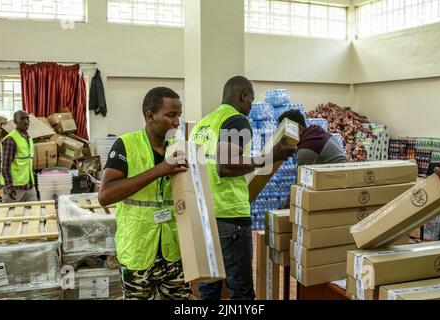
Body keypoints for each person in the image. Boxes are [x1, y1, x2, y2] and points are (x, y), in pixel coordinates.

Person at [190, 76, 296, 300]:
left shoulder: (204, 124)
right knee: (241, 291)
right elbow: (226, 166)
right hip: (229, 216)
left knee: (209, 287)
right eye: (251, 100)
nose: (250, 107)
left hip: (205, 215)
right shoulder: (236, 120)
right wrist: (269, 157)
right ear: (243, 96)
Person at [98, 87, 192, 300]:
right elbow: (105, 195)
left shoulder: (177, 148)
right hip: (138, 250)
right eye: (171, 115)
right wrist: (160, 170)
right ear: (150, 116)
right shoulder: (126, 145)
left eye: (179, 115)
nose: (177, 122)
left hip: (173, 250)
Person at [278, 109, 347, 166]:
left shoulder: (306, 148)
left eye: (286, 131)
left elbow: (303, 179)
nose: (283, 136)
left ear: (300, 129)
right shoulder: (317, 133)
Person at [0, 110, 37, 203]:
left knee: (34, 215)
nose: (26, 121)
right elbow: (5, 167)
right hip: (14, 189)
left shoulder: (28, 138)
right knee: (12, 215)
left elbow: (28, 162)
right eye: (22, 119)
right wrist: (9, 187)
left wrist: (32, 183)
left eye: (27, 118)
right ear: (15, 121)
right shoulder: (11, 139)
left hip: (29, 186)